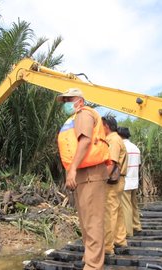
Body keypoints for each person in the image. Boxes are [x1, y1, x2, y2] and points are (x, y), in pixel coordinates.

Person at [57, 88, 110, 269]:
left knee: (92, 221)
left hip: (91, 174)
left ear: (79, 100)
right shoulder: (74, 119)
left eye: (68, 99)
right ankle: (90, 258)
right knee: (86, 221)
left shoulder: (84, 115)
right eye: (64, 100)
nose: (66, 103)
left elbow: (85, 141)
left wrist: (71, 170)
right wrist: (72, 172)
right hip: (83, 174)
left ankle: (94, 265)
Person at [102, 115, 128, 255]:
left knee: (109, 213)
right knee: (117, 211)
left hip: (112, 182)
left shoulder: (113, 140)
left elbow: (111, 162)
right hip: (119, 180)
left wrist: (102, 180)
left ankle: (107, 246)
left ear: (106, 126)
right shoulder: (117, 139)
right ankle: (120, 240)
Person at [117, 127, 142, 237]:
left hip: (125, 180)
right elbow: (139, 164)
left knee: (125, 207)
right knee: (133, 204)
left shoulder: (122, 147)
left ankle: (128, 231)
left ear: (119, 135)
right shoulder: (136, 148)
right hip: (134, 180)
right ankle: (136, 225)